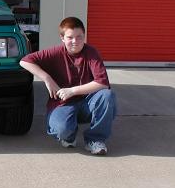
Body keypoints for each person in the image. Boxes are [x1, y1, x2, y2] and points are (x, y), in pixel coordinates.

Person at [19, 17, 117, 155]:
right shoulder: (55, 52)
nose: (75, 41)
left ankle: (95, 140)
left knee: (107, 96)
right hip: (63, 103)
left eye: (79, 37)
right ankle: (69, 135)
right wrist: (47, 78)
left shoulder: (91, 53)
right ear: (62, 38)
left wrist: (72, 90)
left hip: (88, 103)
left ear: (84, 36)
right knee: (62, 130)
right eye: (70, 37)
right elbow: (24, 61)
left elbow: (102, 83)